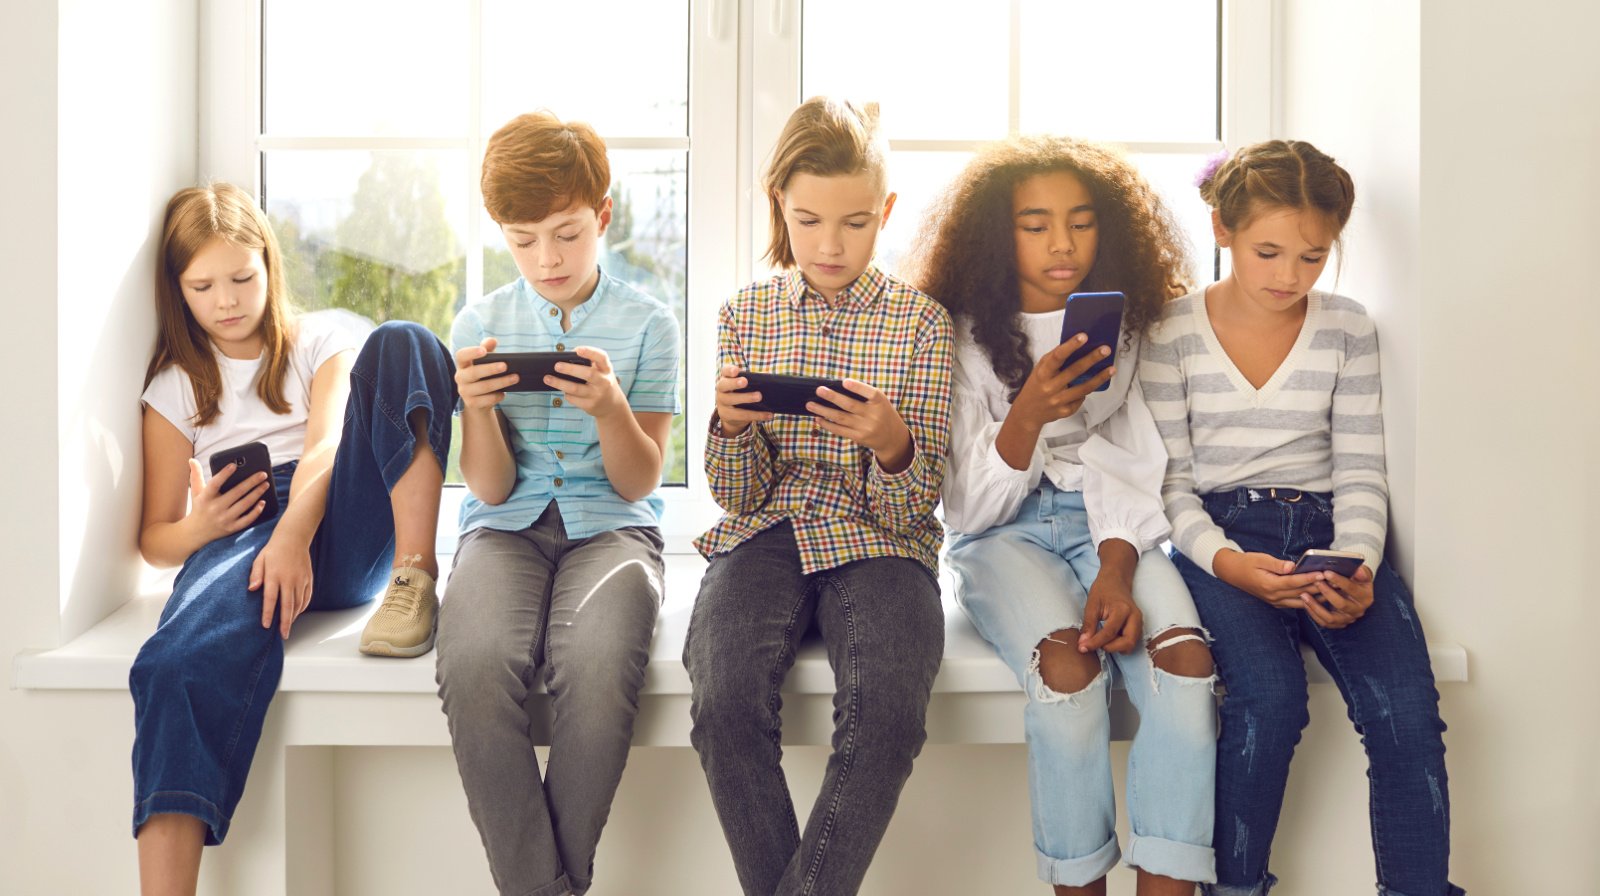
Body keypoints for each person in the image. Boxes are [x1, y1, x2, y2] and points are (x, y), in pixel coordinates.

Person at [1139, 139, 1462, 896]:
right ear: (1221, 230)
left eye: (1312, 257)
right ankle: (1236, 888)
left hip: (1331, 539)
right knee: (1270, 700)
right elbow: (1172, 488)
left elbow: (1359, 469)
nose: (1289, 276)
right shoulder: (1170, 332)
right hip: (1218, 543)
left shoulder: (1347, 330)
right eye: (1269, 252)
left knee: (1407, 715)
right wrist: (1228, 564)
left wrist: (1359, 565)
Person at [904, 135, 1216, 896]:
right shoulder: (954, 334)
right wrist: (1030, 413)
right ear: (995, 234)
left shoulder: (1128, 325)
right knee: (1068, 677)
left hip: (1115, 530)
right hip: (1004, 538)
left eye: (1080, 221)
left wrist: (1115, 567)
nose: (1063, 243)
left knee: (1186, 664)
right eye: (1035, 224)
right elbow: (969, 508)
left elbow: (1135, 454)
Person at [131, 183, 455, 894]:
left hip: (335, 513)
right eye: (204, 286)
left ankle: (417, 572)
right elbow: (156, 539)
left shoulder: (321, 339)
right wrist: (203, 526)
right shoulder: (176, 386)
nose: (227, 300)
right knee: (168, 667)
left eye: (243, 278)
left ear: (270, 269)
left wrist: (293, 538)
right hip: (237, 532)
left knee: (406, 341)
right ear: (177, 289)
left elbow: (325, 446)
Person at [684, 96, 954, 896]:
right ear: (780, 208)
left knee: (888, 717)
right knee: (723, 704)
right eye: (808, 222)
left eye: (855, 224)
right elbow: (736, 498)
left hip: (883, 539)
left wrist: (889, 442)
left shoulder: (921, 324)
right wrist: (730, 428)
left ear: (886, 214)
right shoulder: (747, 315)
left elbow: (915, 504)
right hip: (768, 528)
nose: (830, 245)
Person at [434, 111, 681, 896]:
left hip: (614, 531)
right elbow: (491, 489)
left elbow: (640, 482)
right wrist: (474, 410)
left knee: (602, 662)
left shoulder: (650, 325)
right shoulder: (479, 324)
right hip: (503, 529)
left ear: (603, 216)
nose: (547, 258)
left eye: (567, 234)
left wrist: (611, 409)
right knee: (471, 663)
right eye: (523, 238)